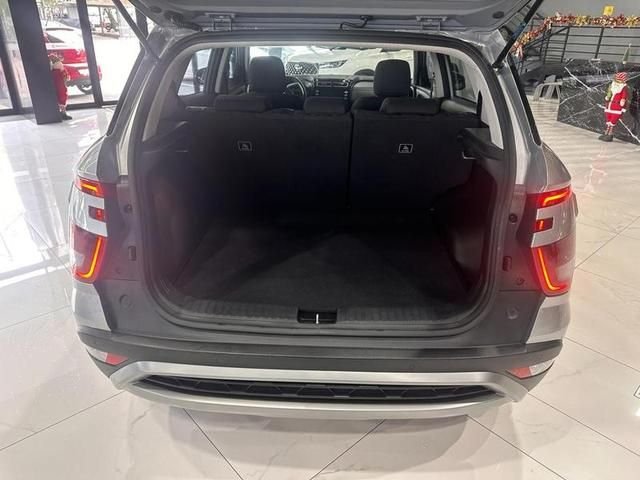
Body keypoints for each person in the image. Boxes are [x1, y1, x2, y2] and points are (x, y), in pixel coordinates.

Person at [599, 71, 629, 142]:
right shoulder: (612, 85)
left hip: (617, 106)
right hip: (610, 105)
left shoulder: (623, 87)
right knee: (608, 119)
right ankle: (606, 133)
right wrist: (608, 97)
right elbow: (609, 93)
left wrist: (623, 100)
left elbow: (624, 95)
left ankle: (610, 134)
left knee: (613, 121)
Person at [49, 54, 72, 120]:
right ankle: (63, 113)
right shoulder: (59, 68)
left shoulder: (52, 71)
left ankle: (59, 113)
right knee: (62, 99)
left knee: (59, 99)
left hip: (56, 87)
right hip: (61, 87)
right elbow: (66, 77)